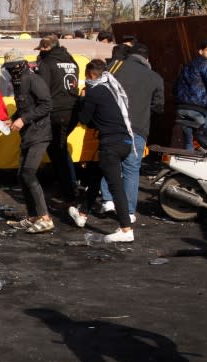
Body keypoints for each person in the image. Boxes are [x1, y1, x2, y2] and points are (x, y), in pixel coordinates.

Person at [69, 59, 135, 243]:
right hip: (124, 141)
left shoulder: (94, 91)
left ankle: (126, 229)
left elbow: (83, 119)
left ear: (90, 75)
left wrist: (81, 99)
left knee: (115, 186)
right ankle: (82, 214)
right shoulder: (111, 89)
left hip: (110, 144)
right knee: (96, 175)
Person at [99, 43, 164, 222]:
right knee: (131, 169)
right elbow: (158, 106)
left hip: (113, 127)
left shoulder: (114, 69)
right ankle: (128, 211)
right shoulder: (155, 77)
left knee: (111, 163)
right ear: (147, 59)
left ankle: (108, 200)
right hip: (138, 128)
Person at [2, 49, 55, 233]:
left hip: (40, 133)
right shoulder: (19, 82)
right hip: (28, 134)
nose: (9, 72)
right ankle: (33, 216)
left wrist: (23, 119)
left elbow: (47, 105)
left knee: (29, 173)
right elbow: (25, 107)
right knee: (22, 175)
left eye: (11, 68)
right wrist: (14, 117)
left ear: (20, 65)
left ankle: (45, 218)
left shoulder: (33, 80)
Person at [35, 36, 79, 202]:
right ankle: (70, 186)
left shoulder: (47, 64)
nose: (40, 52)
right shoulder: (71, 61)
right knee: (60, 150)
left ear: (46, 48)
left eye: (41, 49)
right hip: (72, 111)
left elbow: (42, 91)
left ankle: (69, 191)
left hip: (56, 113)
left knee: (57, 152)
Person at [174, 39, 207, 150]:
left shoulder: (187, 65)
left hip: (181, 109)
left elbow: (175, 87)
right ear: (201, 52)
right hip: (197, 110)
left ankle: (189, 163)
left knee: (189, 143)